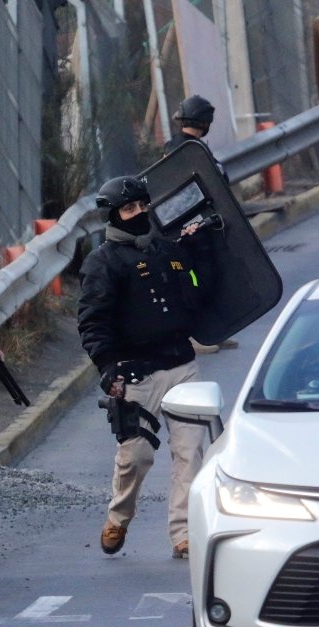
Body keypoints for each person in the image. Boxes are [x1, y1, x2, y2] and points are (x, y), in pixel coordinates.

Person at [78, 175, 214, 560]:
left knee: (191, 453)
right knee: (136, 457)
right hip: (136, 373)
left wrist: (199, 247)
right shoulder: (102, 263)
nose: (138, 213)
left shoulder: (167, 251)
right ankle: (118, 517)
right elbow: (92, 320)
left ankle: (184, 534)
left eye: (142, 206)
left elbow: (199, 291)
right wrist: (107, 367)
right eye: (129, 208)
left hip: (181, 365)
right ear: (112, 216)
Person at [163, 94, 237, 353]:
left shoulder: (192, 147)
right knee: (194, 281)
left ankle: (213, 332)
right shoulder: (181, 149)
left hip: (204, 224)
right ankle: (193, 336)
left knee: (211, 275)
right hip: (188, 228)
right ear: (205, 121)